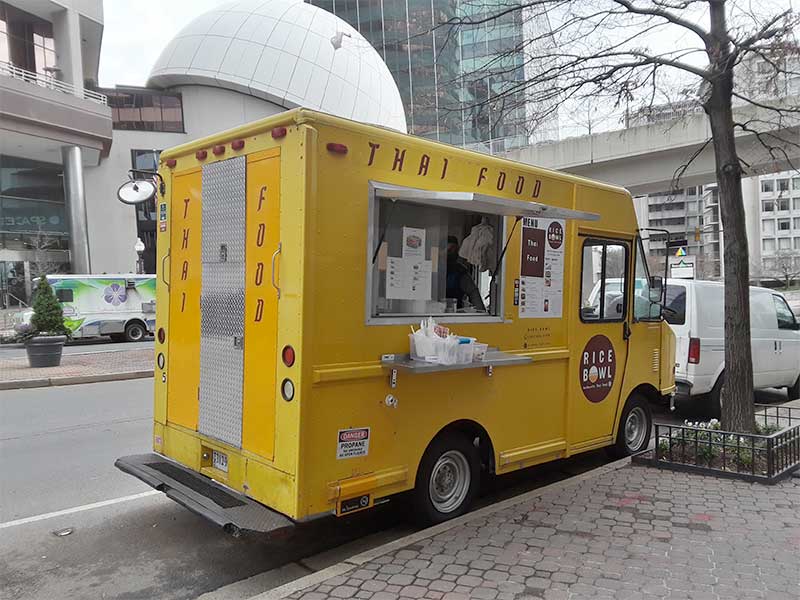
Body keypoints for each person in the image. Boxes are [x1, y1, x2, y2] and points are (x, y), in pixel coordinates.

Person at [446, 236, 486, 311]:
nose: (450, 252)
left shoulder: (460, 271)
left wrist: (482, 314)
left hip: (454, 315)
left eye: (453, 249)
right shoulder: (431, 269)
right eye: (448, 250)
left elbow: (474, 293)